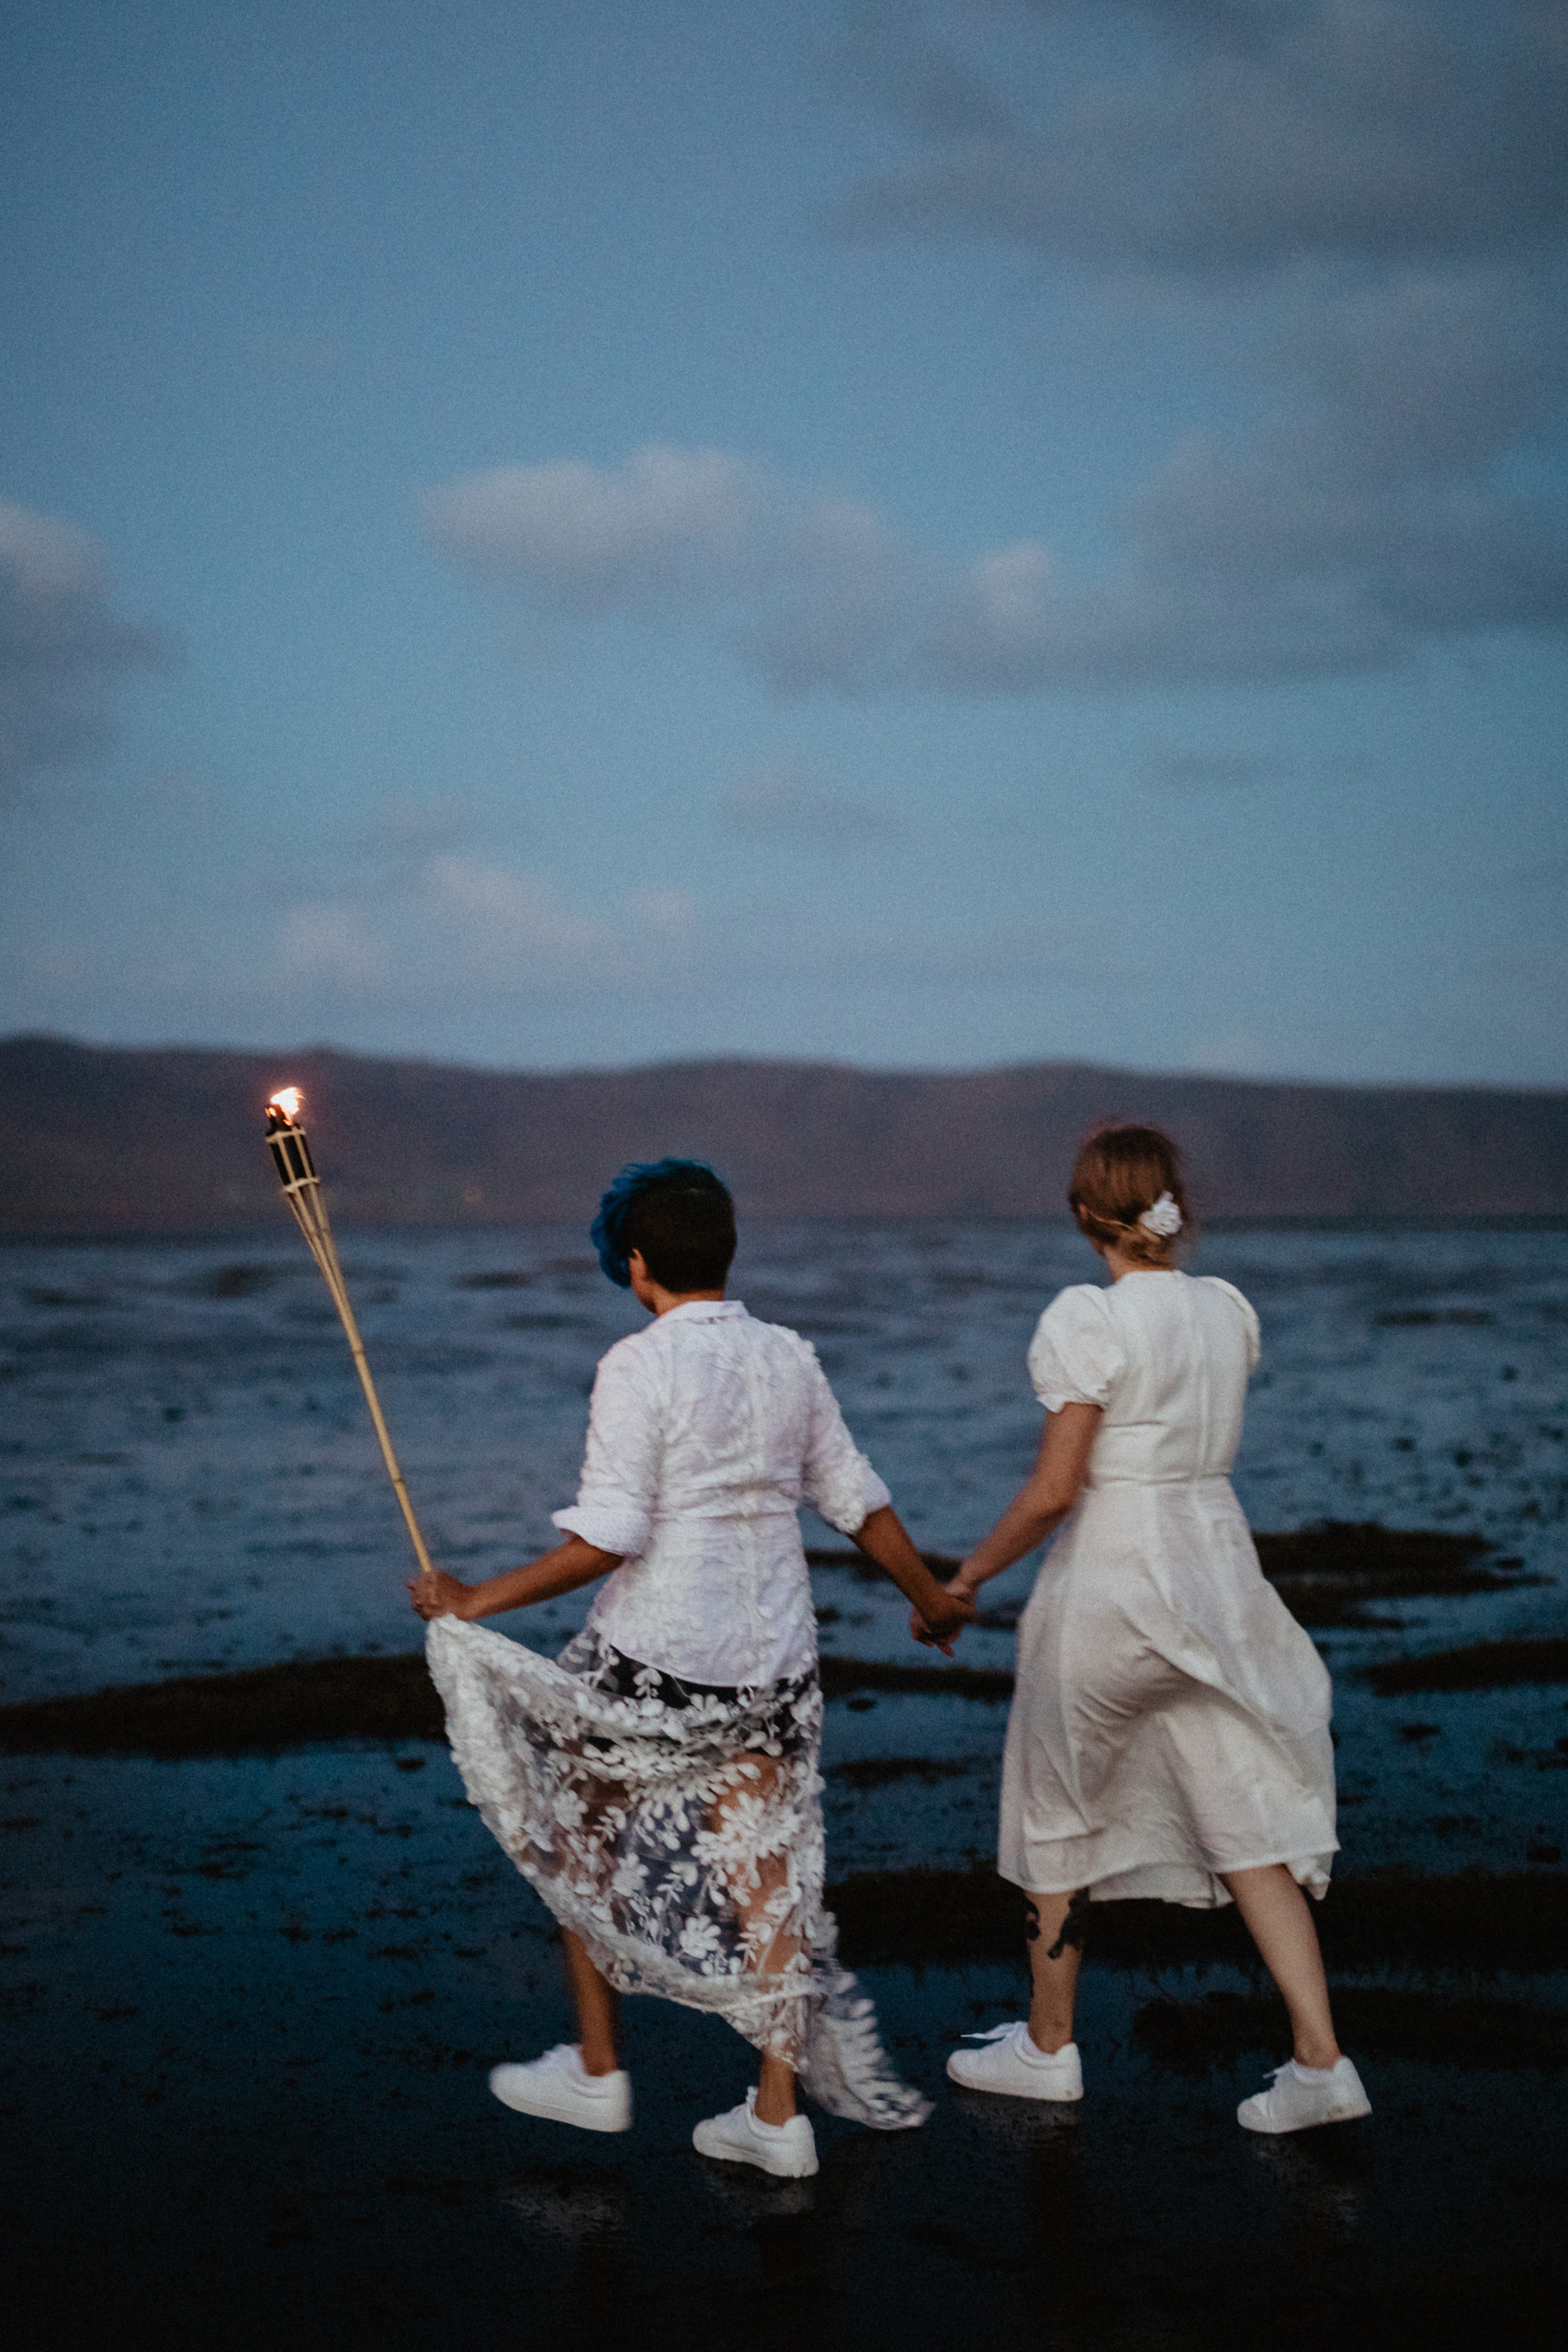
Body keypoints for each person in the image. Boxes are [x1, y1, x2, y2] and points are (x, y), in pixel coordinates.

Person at [412, 1159, 970, 2178]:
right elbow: (855, 1496)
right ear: (727, 1251)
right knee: (766, 1879)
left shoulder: (639, 1364)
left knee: (570, 1823)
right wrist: (929, 1598)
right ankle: (775, 2114)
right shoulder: (787, 1356)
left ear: (636, 1266)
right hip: (775, 1657)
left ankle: (596, 2066)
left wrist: (471, 1597)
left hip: (666, 1650)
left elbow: (610, 1536)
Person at [923, 1125, 1370, 2136]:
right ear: (1175, 1208)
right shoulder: (1226, 1311)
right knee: (1246, 1809)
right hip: (1216, 1572)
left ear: (1087, 1218)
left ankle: (1047, 2047)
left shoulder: (1090, 1318)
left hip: (1116, 1577)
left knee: (1055, 1803)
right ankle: (1321, 2059)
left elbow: (1052, 1491)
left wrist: (965, 1577)